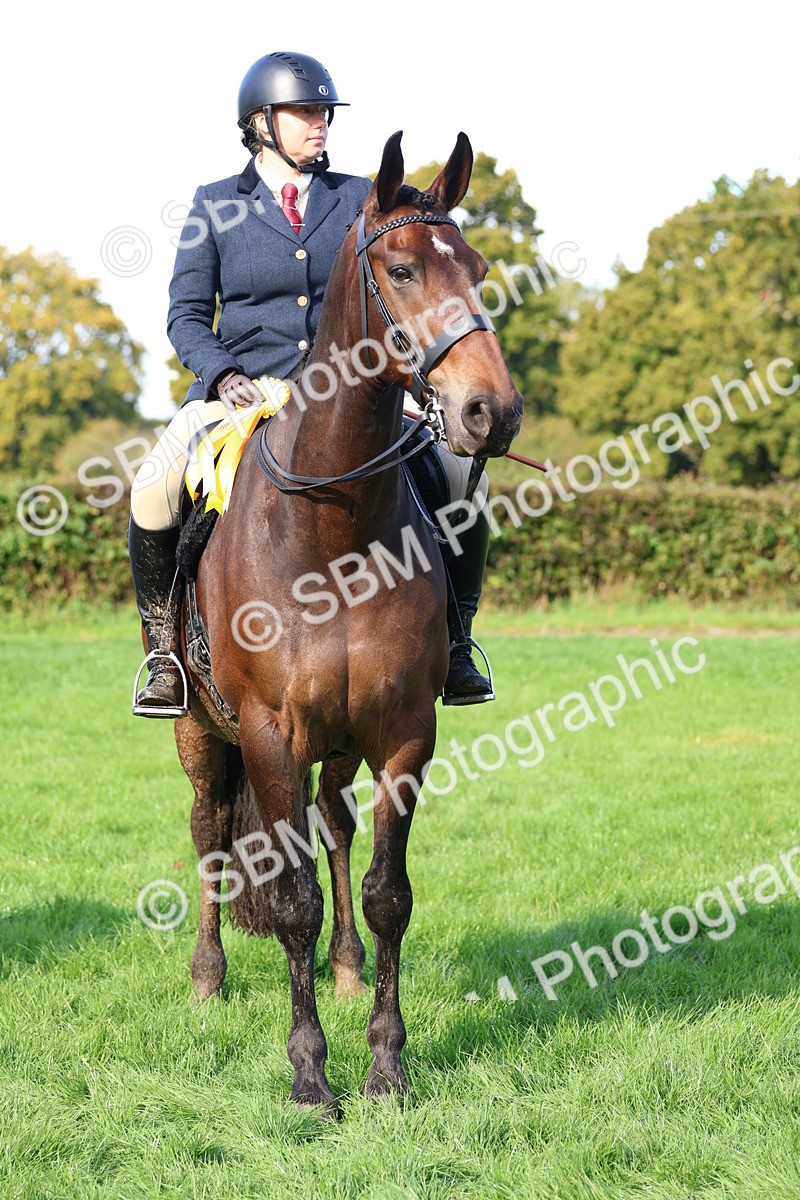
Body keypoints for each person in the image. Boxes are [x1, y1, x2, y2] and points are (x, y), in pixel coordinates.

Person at [128, 50, 494, 718]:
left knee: (465, 475)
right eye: (304, 112)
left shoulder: (362, 198)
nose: (319, 123)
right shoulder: (216, 206)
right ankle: (162, 653)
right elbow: (185, 318)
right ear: (261, 123)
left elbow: (399, 289)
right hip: (239, 396)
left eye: (323, 112)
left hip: (351, 398)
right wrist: (225, 374)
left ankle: (459, 640)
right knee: (153, 485)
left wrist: (411, 374)